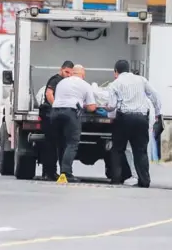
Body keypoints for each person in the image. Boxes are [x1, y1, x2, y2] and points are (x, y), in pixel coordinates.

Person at [106, 60, 162, 188]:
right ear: (129, 69)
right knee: (140, 151)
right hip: (141, 119)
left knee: (117, 149)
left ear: (116, 71)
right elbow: (155, 95)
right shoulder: (141, 80)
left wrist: (108, 111)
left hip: (124, 119)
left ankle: (116, 178)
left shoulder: (115, 83)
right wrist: (158, 113)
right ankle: (144, 181)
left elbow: (112, 105)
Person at [51, 65, 97, 183]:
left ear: (72, 73)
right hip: (70, 113)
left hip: (55, 112)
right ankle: (66, 173)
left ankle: (60, 171)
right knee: (72, 143)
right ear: (83, 74)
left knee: (61, 143)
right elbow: (92, 107)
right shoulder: (85, 85)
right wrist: (84, 105)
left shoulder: (62, 82)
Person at [39, 60, 74, 181]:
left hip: (55, 116)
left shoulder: (66, 82)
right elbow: (49, 94)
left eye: (70, 73)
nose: (68, 75)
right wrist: (56, 106)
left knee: (56, 145)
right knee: (51, 146)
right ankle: (49, 172)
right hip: (49, 115)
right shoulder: (56, 79)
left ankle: (50, 172)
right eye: (66, 72)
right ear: (61, 70)